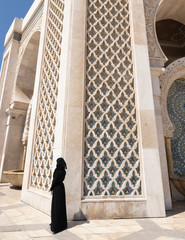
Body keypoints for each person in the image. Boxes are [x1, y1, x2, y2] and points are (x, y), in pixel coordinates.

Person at [50, 157, 67, 234]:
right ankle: (62, 224)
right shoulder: (63, 171)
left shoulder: (57, 171)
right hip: (61, 188)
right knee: (61, 206)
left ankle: (56, 225)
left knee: (56, 206)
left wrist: (51, 188)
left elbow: (55, 181)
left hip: (57, 189)